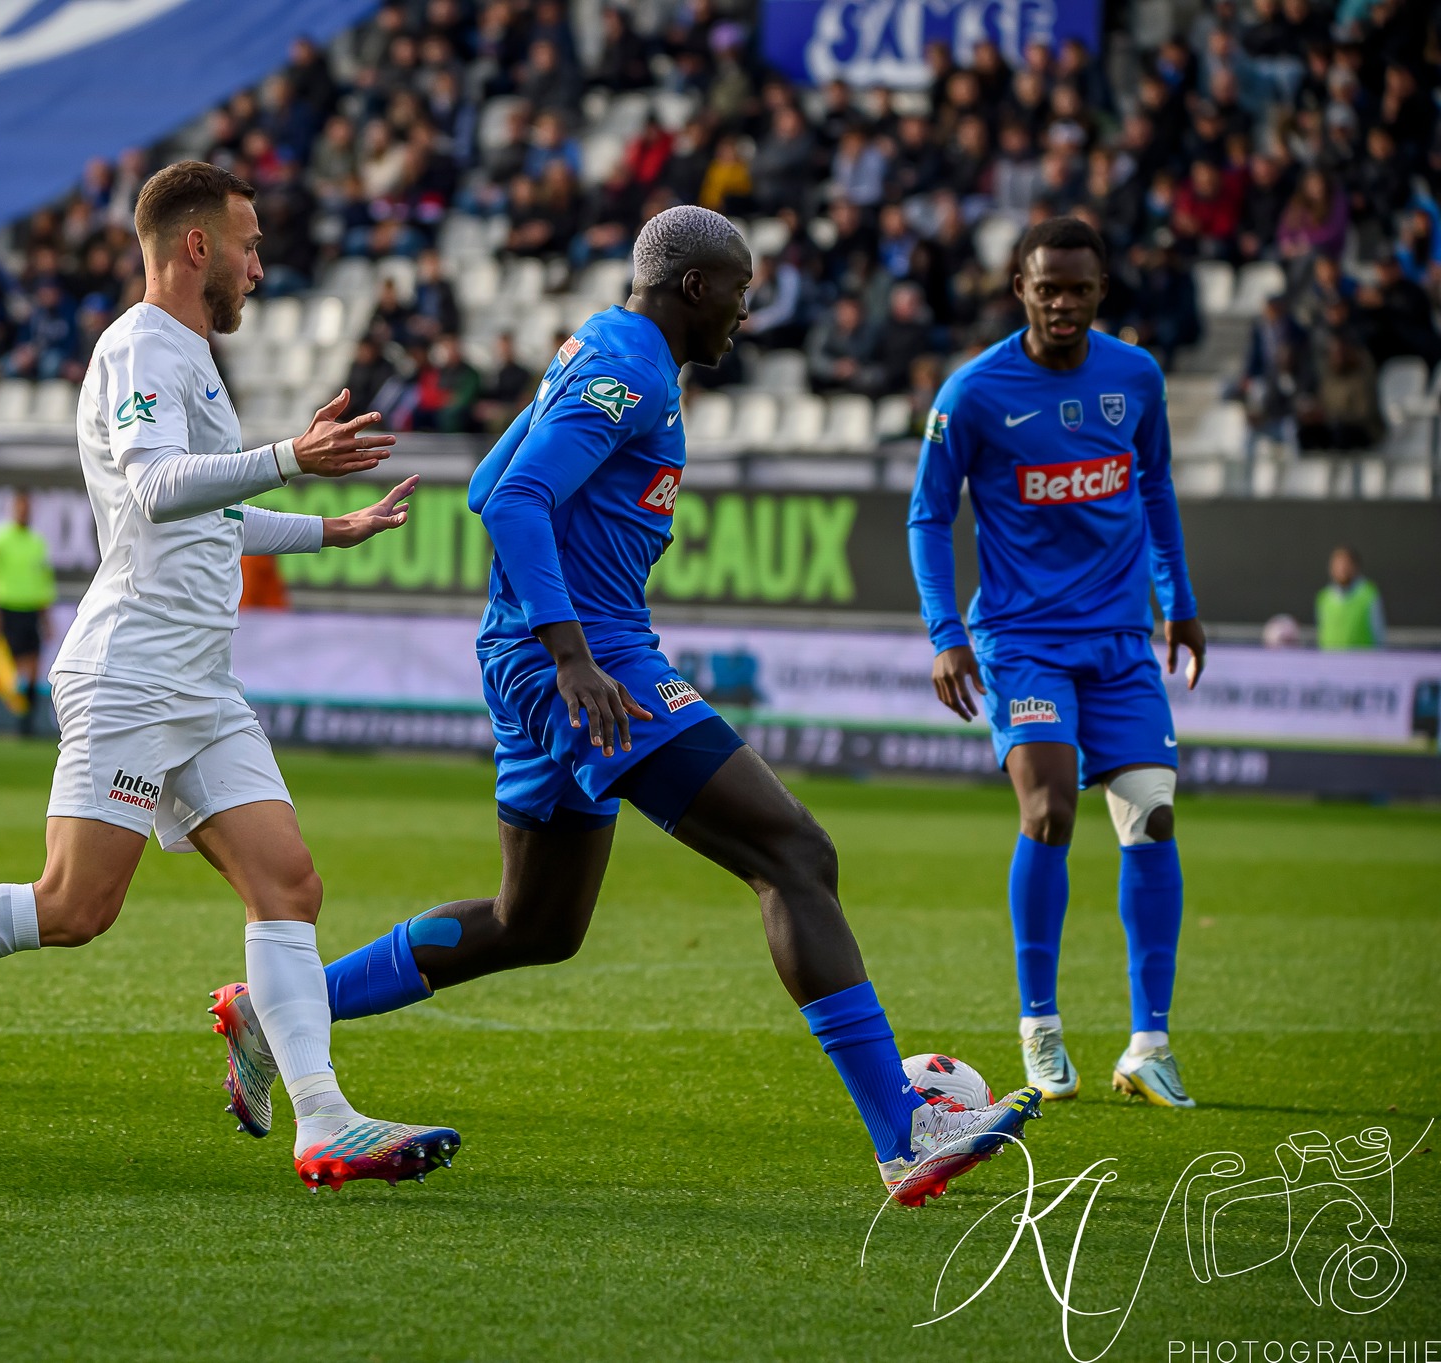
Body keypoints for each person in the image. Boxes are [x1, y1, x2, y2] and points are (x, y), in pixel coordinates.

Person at [207, 206, 1044, 1207]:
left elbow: (485, 482)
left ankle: (277, 1007)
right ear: (693, 287)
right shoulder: (630, 365)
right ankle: (902, 1126)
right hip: (588, 661)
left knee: (537, 920)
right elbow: (515, 501)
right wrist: (572, 653)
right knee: (792, 853)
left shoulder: (604, 350)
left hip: (540, 654)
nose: (745, 310)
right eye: (737, 290)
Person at [0, 162, 454, 1194]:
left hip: (199, 679)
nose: (261, 266)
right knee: (74, 905)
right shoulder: (140, 345)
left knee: (288, 883)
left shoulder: (192, 357)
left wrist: (325, 529)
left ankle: (325, 1120)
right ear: (195, 247)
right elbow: (157, 484)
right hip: (130, 668)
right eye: (250, 244)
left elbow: (210, 512)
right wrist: (288, 456)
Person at [909, 216, 1207, 1111]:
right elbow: (929, 515)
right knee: (1049, 812)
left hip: (1119, 640)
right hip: (1022, 639)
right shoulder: (974, 392)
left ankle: (1149, 1042)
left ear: (1101, 289)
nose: (1064, 303)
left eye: (1079, 288)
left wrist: (1180, 603)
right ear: (1021, 290)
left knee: (1151, 818)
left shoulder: (1136, 377)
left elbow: (1154, 487)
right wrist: (943, 632)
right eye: (1049, 288)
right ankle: (1039, 1024)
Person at [0, 490, 55, 737]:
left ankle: (25, 726)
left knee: (34, 669)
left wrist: (46, 618)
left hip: (31, 611)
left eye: (28, 507)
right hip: (6, 610)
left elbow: (44, 582)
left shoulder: (37, 543)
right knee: (2, 671)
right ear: (12, 508)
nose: (24, 511)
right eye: (20, 507)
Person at [1315, 546, 1385, 650]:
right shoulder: (1323, 597)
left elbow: (1378, 633)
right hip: (1330, 663)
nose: (1342, 569)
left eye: (1346, 564)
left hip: (1363, 662)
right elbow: (1321, 633)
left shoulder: (1368, 594)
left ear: (1355, 566)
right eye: (1337, 564)